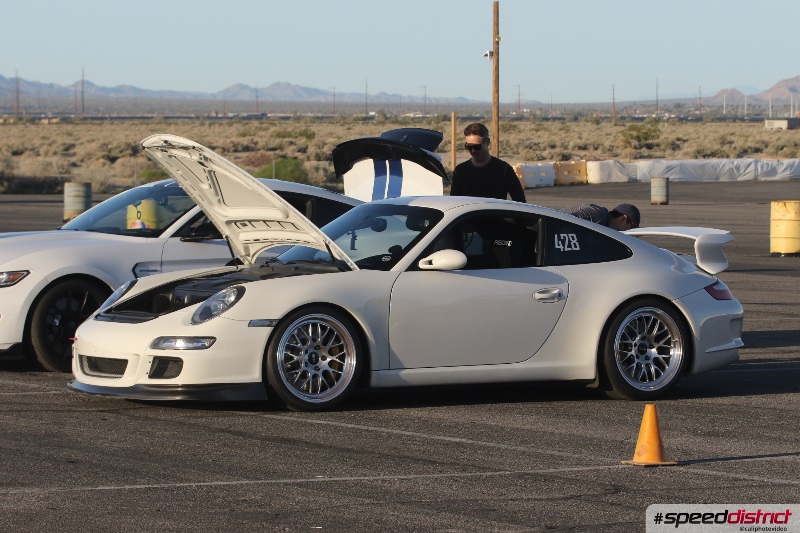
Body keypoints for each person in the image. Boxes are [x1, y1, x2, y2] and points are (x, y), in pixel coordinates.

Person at [450, 123, 526, 203]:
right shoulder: (460, 171)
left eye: (477, 147)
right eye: (469, 146)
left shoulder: (503, 170)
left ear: (487, 142)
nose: (473, 150)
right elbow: (453, 203)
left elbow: (520, 202)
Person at [565, 203, 640, 231]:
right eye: (632, 227)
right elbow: (567, 220)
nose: (630, 231)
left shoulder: (605, 226)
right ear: (623, 219)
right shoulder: (598, 214)